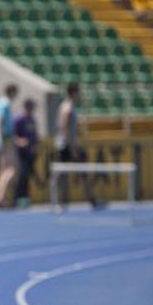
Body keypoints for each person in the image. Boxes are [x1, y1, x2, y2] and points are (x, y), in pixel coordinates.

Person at [54, 82, 102, 210]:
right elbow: (64, 127)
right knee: (61, 173)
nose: (80, 94)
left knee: (80, 171)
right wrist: (71, 147)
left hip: (68, 144)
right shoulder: (67, 107)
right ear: (74, 92)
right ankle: (58, 200)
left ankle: (90, 199)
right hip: (66, 145)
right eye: (79, 91)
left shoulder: (70, 106)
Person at [0, 83, 19, 208]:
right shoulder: (5, 104)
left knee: (2, 170)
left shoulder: (0, 103)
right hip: (6, 139)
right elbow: (0, 121)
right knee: (11, 169)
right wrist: (2, 140)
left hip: (3, 139)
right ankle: (1, 196)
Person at [13, 98, 39, 208]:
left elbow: (34, 136)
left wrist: (34, 146)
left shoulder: (32, 120)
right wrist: (20, 142)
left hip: (30, 152)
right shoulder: (19, 119)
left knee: (28, 176)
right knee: (22, 175)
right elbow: (13, 135)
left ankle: (25, 198)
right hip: (21, 152)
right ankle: (18, 198)